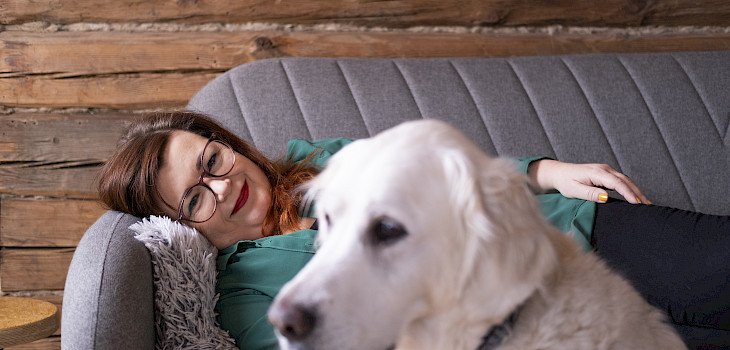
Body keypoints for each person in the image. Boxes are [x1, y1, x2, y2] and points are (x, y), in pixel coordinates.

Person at [97, 111, 729, 349]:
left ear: (224, 144)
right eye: (195, 199)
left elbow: (442, 174)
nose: (223, 185)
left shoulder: (315, 159)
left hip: (574, 231)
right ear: (180, 230)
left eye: (212, 160)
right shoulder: (244, 298)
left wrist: (544, 171)